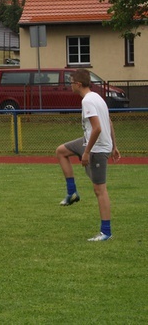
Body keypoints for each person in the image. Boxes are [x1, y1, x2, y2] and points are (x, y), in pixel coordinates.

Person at [55, 68, 120, 241]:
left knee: (100, 190)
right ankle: (72, 192)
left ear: (78, 84)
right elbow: (109, 122)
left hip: (96, 148)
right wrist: (114, 145)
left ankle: (106, 232)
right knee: (61, 151)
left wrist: (86, 152)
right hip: (91, 142)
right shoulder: (96, 97)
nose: (70, 86)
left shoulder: (88, 101)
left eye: (70, 83)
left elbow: (98, 127)